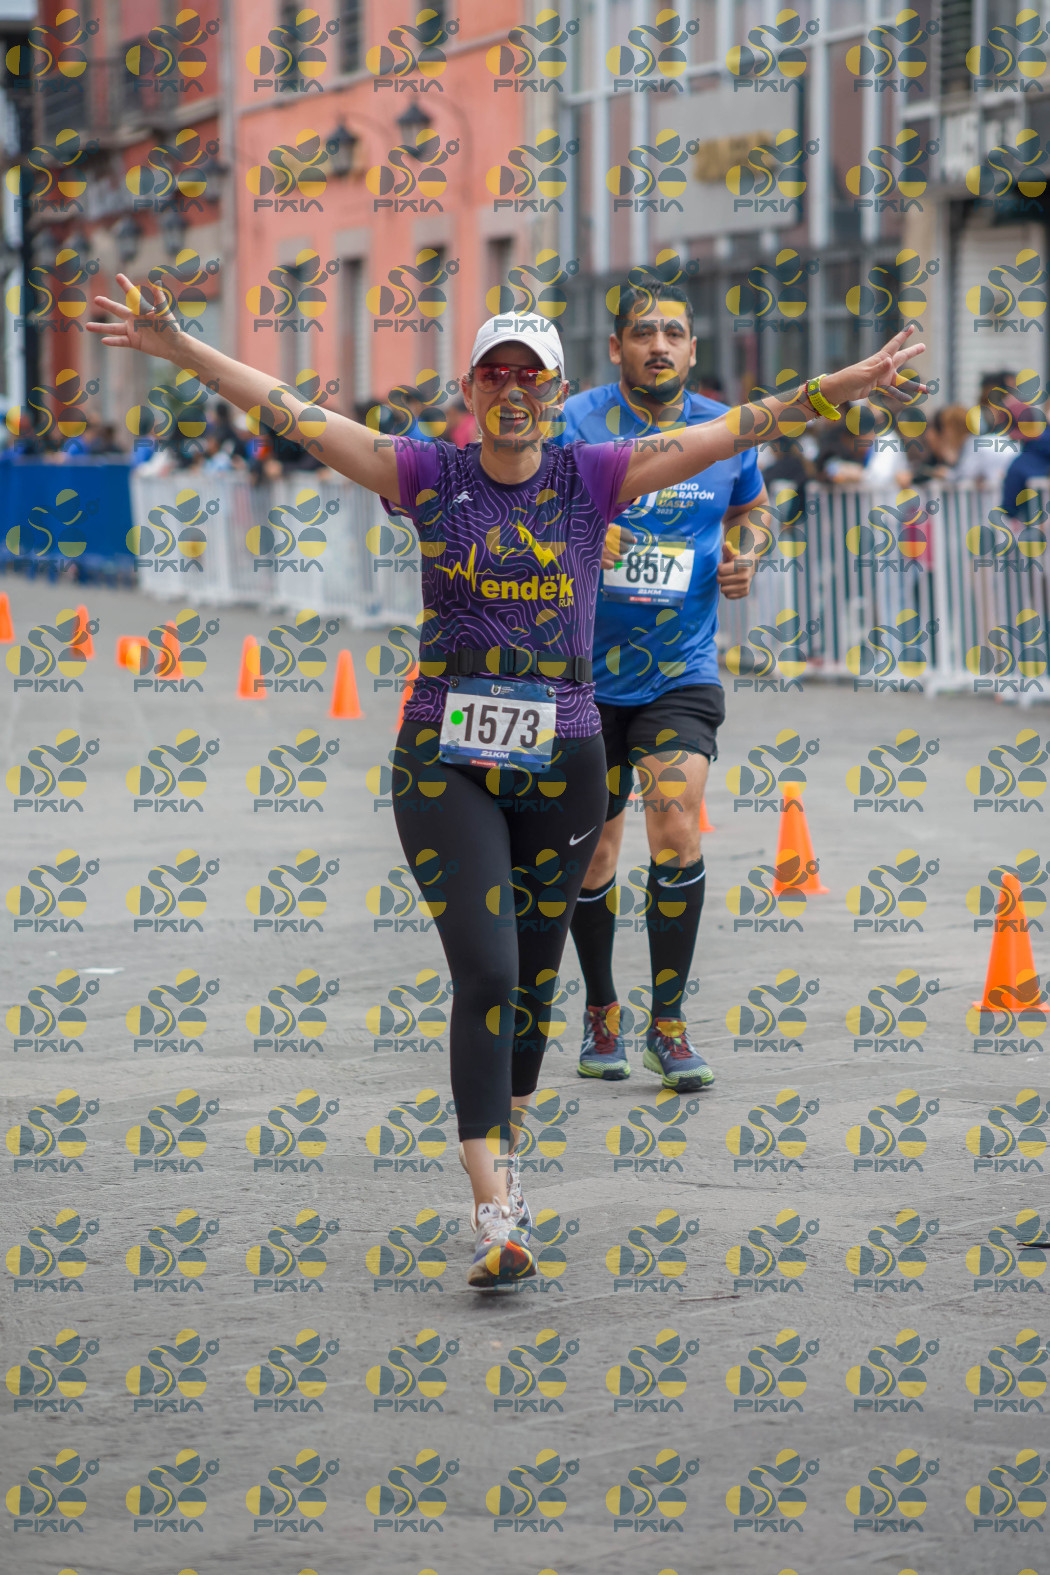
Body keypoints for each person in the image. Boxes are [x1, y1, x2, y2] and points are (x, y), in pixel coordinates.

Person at [87, 273, 926, 1289]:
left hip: (564, 760)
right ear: (471, 389)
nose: (514, 390)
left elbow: (744, 425)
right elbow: (295, 413)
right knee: (486, 973)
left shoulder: (596, 475)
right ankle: (495, 1207)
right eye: (497, 374)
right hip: (445, 757)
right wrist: (181, 349)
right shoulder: (425, 472)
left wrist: (851, 381)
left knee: (532, 979)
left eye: (532, 375)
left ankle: (513, 1129)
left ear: (558, 390)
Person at [557, 279, 771, 1091]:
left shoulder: (724, 429)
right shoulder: (575, 423)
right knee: (595, 855)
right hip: (583, 673)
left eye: (674, 333)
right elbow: (527, 504)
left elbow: (753, 509)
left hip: (680, 669)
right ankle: (601, 1008)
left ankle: (670, 1023)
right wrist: (580, 531)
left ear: (691, 347)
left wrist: (749, 550)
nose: (659, 345)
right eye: (643, 332)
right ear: (616, 347)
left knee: (676, 826)